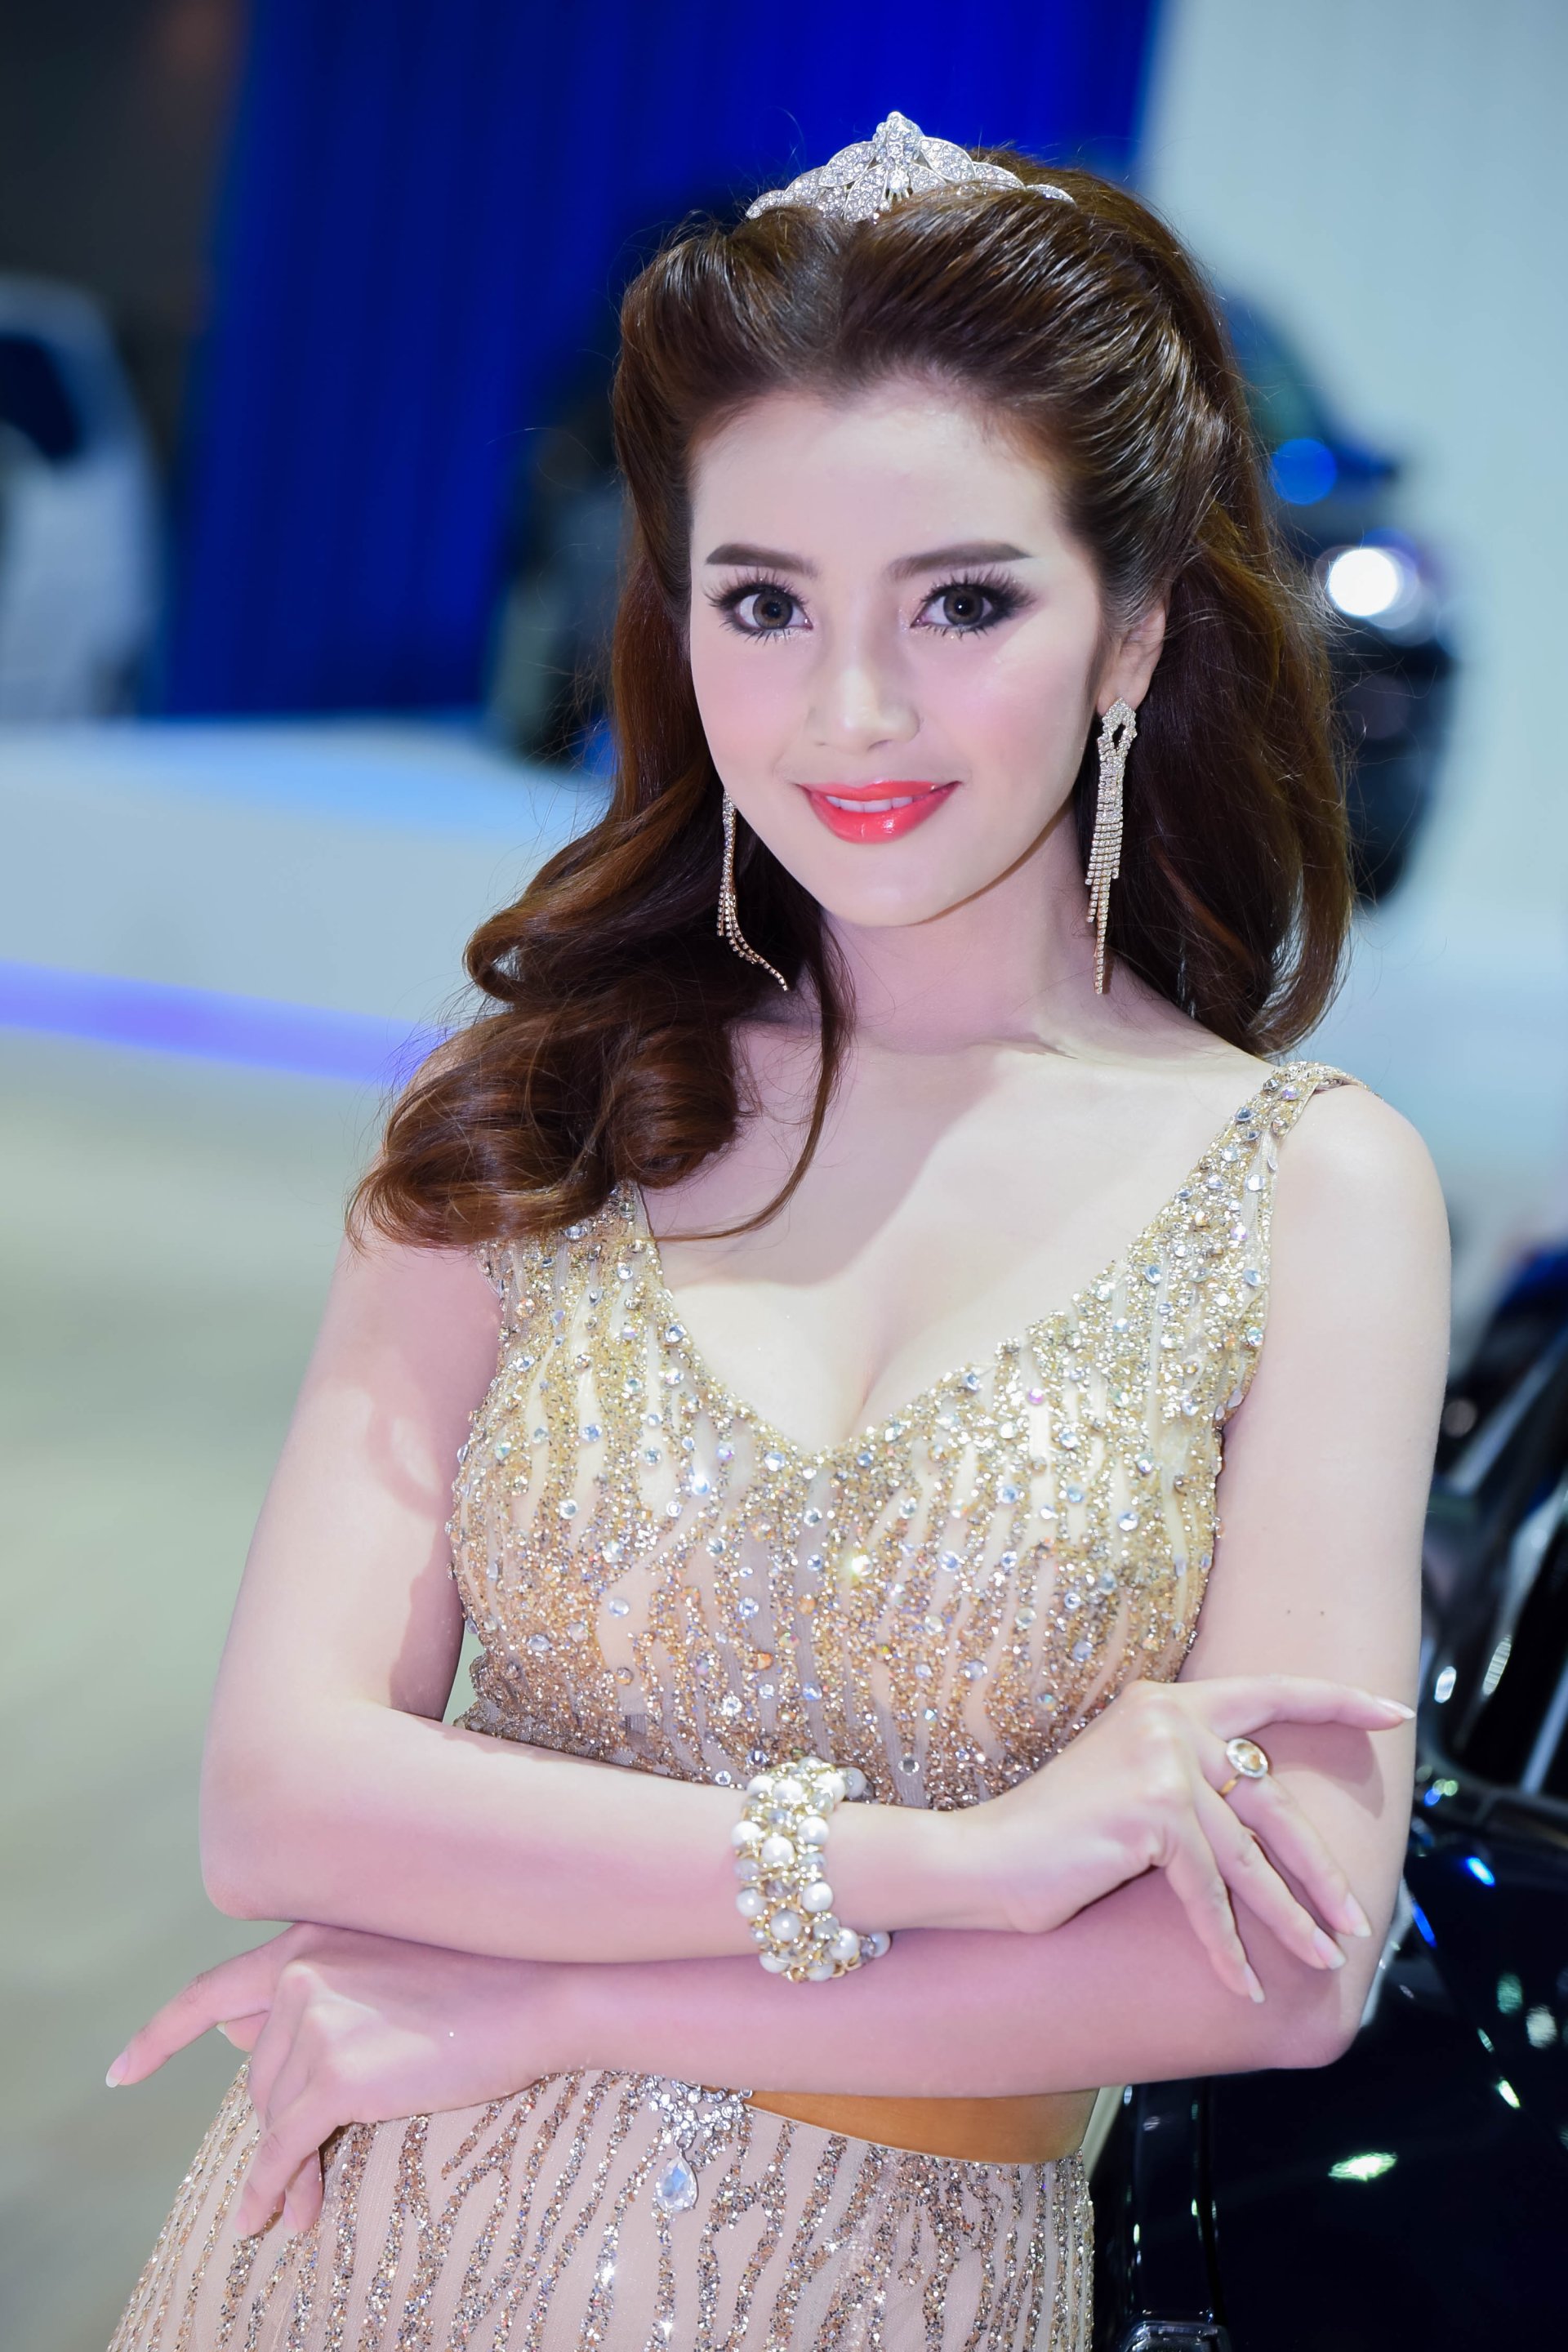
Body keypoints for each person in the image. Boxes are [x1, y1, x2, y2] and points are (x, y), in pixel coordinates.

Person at [103, 116, 1448, 2352]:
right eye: (765, 603)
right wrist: (948, 1865)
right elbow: (283, 1799)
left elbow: (1283, 1961)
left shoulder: (1311, 1189)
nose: (851, 712)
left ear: (1129, 631)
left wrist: (557, 1999)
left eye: (964, 603)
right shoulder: (536, 1117)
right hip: (361, 2254)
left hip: (878, 2284)